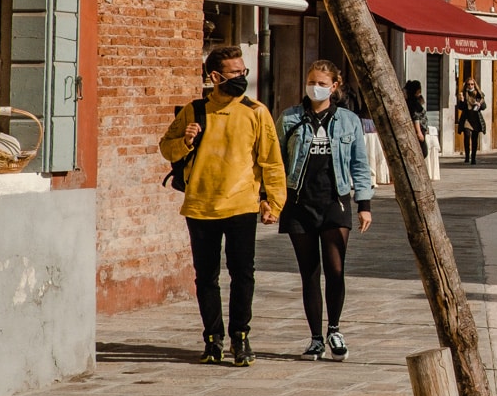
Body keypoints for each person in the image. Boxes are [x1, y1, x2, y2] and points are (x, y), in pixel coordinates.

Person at [159, 46, 286, 366]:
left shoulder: (256, 112)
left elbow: (271, 161)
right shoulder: (194, 111)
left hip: (242, 204)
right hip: (200, 206)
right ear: (215, 77)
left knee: (244, 274)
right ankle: (212, 338)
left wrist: (274, 203)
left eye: (244, 72)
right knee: (206, 276)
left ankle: (240, 337)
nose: (243, 77)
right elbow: (167, 149)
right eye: (236, 73)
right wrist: (185, 140)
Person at [279, 61, 374, 361]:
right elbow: (275, 161)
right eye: (311, 81)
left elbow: (360, 163)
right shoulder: (289, 118)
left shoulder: (348, 121)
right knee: (309, 272)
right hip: (299, 202)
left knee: (335, 268)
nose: (314, 87)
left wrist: (365, 205)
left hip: (335, 201)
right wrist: (269, 197)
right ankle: (315, 338)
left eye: (321, 82)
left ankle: (334, 329)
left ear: (334, 86)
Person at [456, 82, 487, 164]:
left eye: (472, 84)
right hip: (467, 118)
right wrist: (462, 101)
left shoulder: (479, 94)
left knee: (474, 138)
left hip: (476, 118)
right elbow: (460, 107)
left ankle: (473, 157)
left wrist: (480, 104)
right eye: (468, 84)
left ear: (474, 85)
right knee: (467, 135)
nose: (470, 86)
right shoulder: (463, 94)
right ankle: (467, 156)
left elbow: (484, 107)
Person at [404, 79, 429, 158]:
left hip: (422, 128)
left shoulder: (415, 101)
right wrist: (419, 132)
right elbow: (416, 118)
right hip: (419, 129)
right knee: (423, 152)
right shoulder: (413, 103)